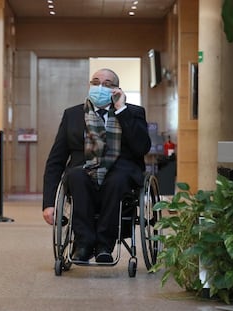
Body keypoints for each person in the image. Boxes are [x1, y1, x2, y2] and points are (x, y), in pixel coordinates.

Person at [42, 68, 151, 263]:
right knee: (76, 176)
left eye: (108, 84)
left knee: (116, 179)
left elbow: (141, 147)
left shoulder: (133, 112)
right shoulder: (72, 114)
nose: (100, 87)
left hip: (120, 172)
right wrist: (49, 203)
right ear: (90, 86)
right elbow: (56, 160)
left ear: (117, 89)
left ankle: (104, 245)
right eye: (96, 82)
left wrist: (121, 110)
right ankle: (83, 244)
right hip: (83, 171)